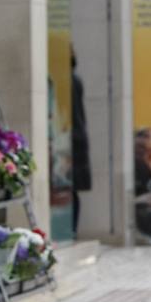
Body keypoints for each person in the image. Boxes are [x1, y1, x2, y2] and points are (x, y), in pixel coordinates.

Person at [69, 53, 91, 234]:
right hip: (77, 137)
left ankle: (72, 229)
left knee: (71, 187)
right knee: (73, 189)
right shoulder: (75, 79)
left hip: (73, 139)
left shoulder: (70, 81)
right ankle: (73, 229)